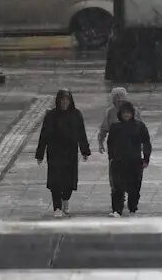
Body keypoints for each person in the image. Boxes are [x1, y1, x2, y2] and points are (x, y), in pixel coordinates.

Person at [35, 89, 90, 217]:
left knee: (69, 180)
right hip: (55, 151)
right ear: (58, 101)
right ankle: (57, 207)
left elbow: (81, 133)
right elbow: (44, 135)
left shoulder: (76, 114)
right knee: (55, 181)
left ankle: (65, 199)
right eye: (62, 100)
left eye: (67, 100)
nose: (65, 102)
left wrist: (84, 150)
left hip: (70, 152)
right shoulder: (51, 115)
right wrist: (40, 153)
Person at [105, 101, 150, 217]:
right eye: (124, 113)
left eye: (128, 113)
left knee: (134, 187)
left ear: (132, 113)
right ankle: (117, 210)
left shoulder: (139, 126)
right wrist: (111, 157)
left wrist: (146, 158)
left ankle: (132, 209)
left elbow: (146, 143)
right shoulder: (115, 127)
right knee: (117, 187)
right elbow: (110, 143)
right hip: (118, 162)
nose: (126, 115)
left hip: (134, 162)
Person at [97, 87, 138, 152]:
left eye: (122, 96)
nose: (119, 99)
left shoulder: (133, 110)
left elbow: (141, 128)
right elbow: (103, 129)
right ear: (113, 99)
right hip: (115, 146)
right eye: (116, 97)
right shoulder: (110, 112)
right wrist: (100, 143)